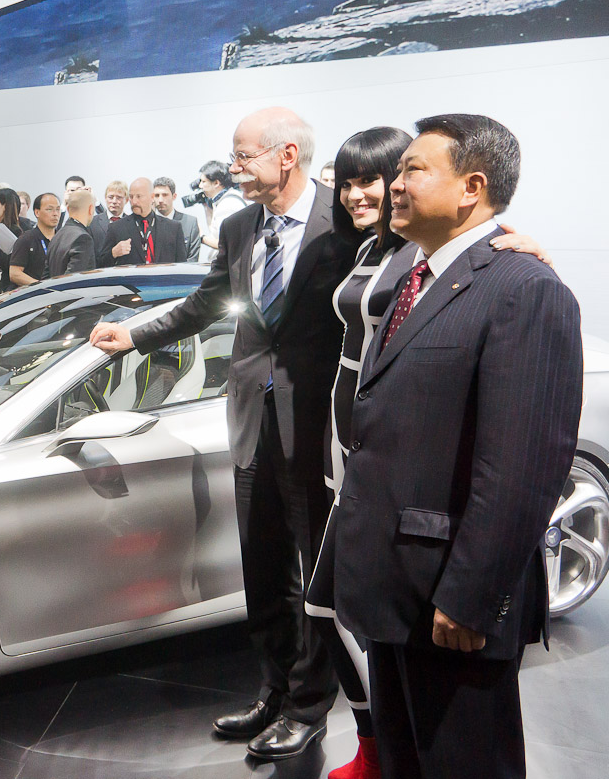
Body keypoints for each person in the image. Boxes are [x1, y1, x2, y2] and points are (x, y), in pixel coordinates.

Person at [90, 107, 359, 760]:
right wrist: (134, 334)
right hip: (251, 420)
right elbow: (205, 304)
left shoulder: (346, 220)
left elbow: (408, 263)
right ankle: (274, 690)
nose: (232, 167)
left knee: (317, 574)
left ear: (286, 155)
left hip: (316, 425)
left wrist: (506, 239)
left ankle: (309, 706)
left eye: (243, 155)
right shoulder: (240, 227)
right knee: (263, 569)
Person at [333, 114, 583, 779]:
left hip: (452, 599)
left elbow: (522, 469)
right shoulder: (412, 277)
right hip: (396, 590)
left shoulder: (525, 290)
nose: (394, 184)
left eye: (413, 170)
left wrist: (472, 595)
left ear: (472, 187)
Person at [99, 177, 191, 267]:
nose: (134, 201)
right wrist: (113, 253)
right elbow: (101, 264)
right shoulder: (116, 228)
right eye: (131, 197)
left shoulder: (173, 228)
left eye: (139, 196)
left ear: (152, 197)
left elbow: (182, 267)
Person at [197, 161, 248, 263]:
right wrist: (207, 208)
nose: (200, 186)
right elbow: (217, 233)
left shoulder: (227, 205)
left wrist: (201, 237)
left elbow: (227, 244)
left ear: (216, 183)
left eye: (203, 182)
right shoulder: (227, 199)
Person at [9, 193, 62, 287]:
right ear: (37, 212)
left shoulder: (62, 238)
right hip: (32, 292)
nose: (55, 214)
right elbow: (15, 273)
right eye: (49, 209)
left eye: (58, 209)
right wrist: (41, 286)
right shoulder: (26, 239)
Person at [48, 188, 97, 277]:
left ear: (68, 209)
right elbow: (73, 280)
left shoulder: (56, 236)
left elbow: (45, 277)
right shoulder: (83, 238)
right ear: (90, 209)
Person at [151, 177, 202, 260]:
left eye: (165, 195)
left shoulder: (190, 223)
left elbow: (193, 259)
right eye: (157, 196)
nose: (160, 200)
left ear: (174, 196)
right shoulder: (148, 223)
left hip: (184, 268)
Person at [91, 179, 129, 259]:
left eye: (119, 198)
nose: (114, 201)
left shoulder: (132, 223)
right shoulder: (93, 223)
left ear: (126, 200)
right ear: (105, 198)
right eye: (110, 197)